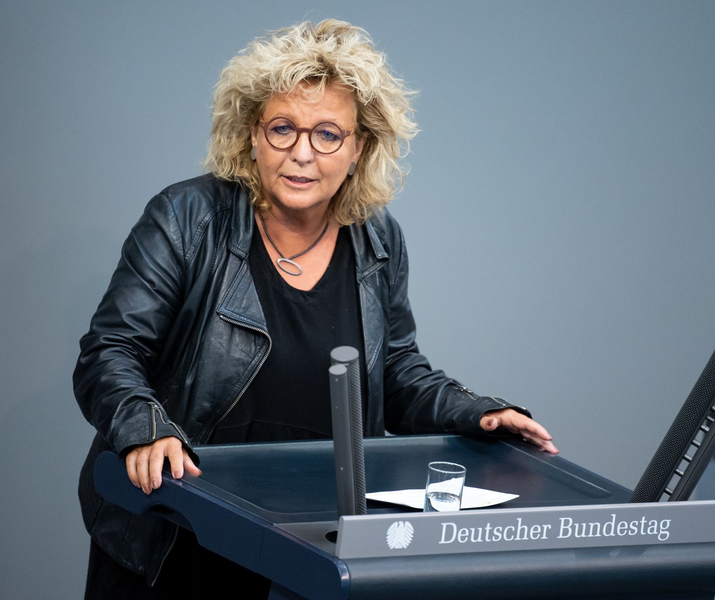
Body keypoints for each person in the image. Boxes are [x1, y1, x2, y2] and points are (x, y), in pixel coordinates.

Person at [73, 18, 558, 598]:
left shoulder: (378, 240)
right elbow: (110, 350)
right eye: (283, 128)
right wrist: (145, 429)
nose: (302, 153)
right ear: (252, 135)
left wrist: (477, 413)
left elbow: (397, 371)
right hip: (180, 528)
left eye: (328, 134)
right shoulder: (186, 218)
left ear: (357, 149)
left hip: (311, 542)